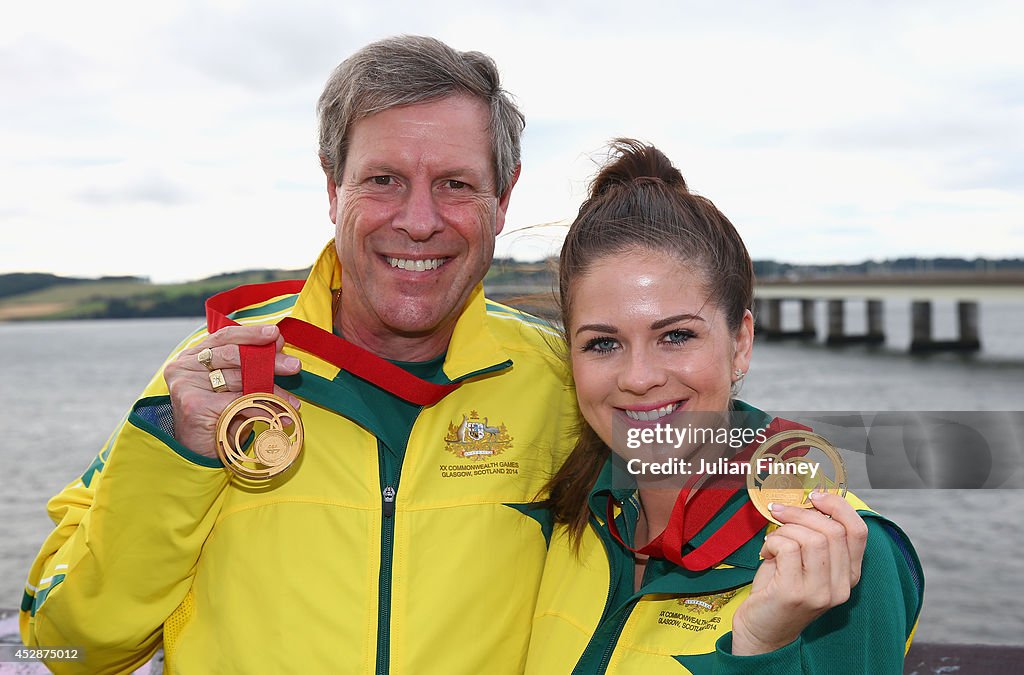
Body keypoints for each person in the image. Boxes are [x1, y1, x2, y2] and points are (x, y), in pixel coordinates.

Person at [21, 36, 577, 674]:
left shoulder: (563, 382)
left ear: (502, 200)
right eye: (383, 180)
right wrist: (181, 457)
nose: (419, 220)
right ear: (333, 188)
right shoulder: (219, 374)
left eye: (455, 184)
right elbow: (70, 645)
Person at [524, 140, 924, 673]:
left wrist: (759, 649)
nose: (639, 378)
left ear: (741, 342)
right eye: (603, 343)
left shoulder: (836, 557)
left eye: (676, 337)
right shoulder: (570, 512)